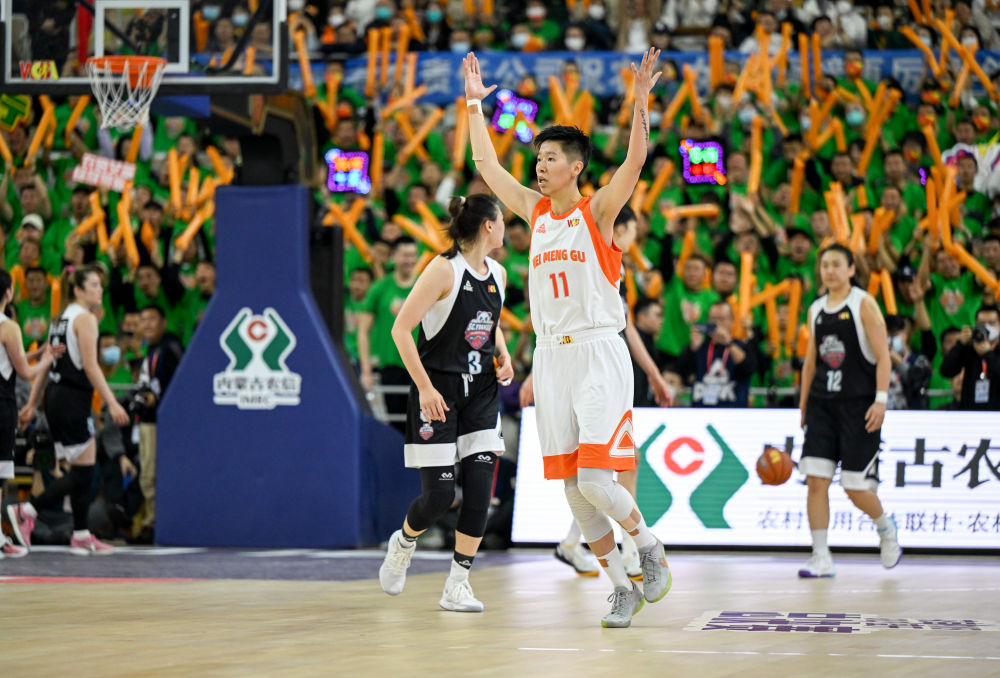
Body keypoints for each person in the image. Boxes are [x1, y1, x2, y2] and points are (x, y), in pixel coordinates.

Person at [464, 49, 672, 628]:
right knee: (575, 494)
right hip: (552, 358)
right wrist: (474, 106)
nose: (540, 166)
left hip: (599, 351)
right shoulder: (535, 213)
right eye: (538, 158)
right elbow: (486, 164)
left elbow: (635, 159)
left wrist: (640, 103)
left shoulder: (598, 210)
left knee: (599, 483)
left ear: (575, 167)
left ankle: (649, 546)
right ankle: (621, 588)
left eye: (551, 158)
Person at [378, 195, 513, 613]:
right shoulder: (443, 269)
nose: (506, 228)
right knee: (438, 496)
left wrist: (502, 353)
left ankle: (458, 583)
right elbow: (401, 330)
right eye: (502, 221)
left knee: (479, 491)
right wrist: (425, 388)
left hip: (481, 392)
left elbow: (488, 323)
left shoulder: (499, 274)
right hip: (437, 391)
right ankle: (403, 543)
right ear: (488, 226)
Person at [7, 265, 130, 555]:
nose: (100, 290)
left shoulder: (59, 320)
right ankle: (27, 510)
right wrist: (112, 402)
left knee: (81, 469)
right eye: (94, 285)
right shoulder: (86, 319)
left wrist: (32, 404)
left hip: (57, 398)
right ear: (78, 289)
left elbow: (47, 365)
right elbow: (91, 366)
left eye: (100, 285)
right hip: (73, 400)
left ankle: (81, 533)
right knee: (84, 472)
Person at [797, 244, 902, 578]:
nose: (829, 270)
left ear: (851, 269)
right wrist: (803, 404)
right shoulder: (816, 308)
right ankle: (820, 556)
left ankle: (885, 528)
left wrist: (881, 400)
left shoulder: (863, 303)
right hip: (822, 405)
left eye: (836, 264)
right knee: (816, 481)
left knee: (855, 488)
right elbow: (811, 362)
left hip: (859, 406)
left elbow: (883, 356)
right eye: (825, 265)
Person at [0, 269, 60, 558]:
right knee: (1, 473)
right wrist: (46, 359)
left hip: (9, 404)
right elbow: (24, 372)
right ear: (9, 292)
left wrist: (37, 353)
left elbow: (12, 359)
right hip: (4, 404)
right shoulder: (9, 326)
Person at [134, 304, 184, 543]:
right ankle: (150, 522)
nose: (147, 324)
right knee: (146, 474)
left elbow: (181, 385)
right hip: (147, 420)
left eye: (152, 319)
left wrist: (159, 400)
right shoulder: (152, 348)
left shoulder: (170, 347)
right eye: (143, 320)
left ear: (164, 322)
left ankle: (153, 524)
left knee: (151, 476)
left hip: (160, 423)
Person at [939, 304, 1000, 410]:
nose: (986, 327)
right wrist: (960, 344)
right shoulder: (969, 349)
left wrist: (988, 354)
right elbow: (946, 370)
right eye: (981, 323)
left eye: (991, 323)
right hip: (970, 413)